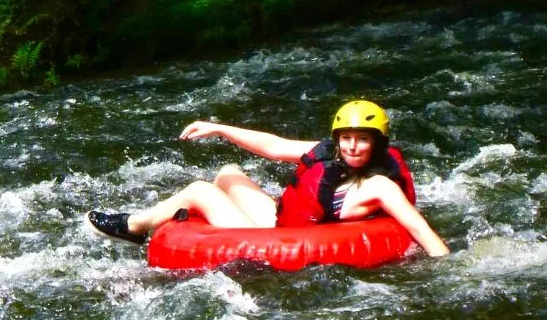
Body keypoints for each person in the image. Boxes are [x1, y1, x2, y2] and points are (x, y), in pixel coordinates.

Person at [85, 100, 450, 257]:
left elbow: (420, 230)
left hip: (277, 242)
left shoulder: (381, 185)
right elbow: (274, 146)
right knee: (228, 173)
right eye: (347, 138)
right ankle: (148, 219)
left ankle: (132, 226)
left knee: (199, 191)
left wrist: (447, 268)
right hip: (281, 222)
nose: (353, 147)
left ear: (377, 143)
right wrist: (218, 128)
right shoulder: (333, 154)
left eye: (363, 140)